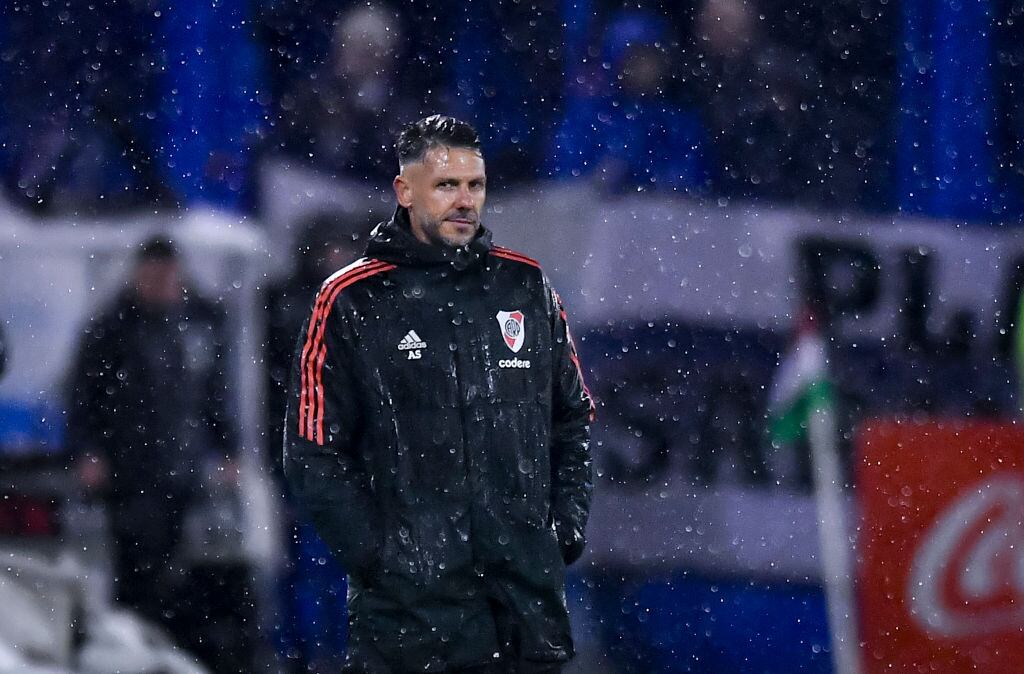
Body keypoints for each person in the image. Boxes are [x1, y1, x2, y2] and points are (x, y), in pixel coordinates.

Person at [283, 115, 595, 673]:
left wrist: (561, 531)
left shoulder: (525, 286)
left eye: (475, 185)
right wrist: (384, 558)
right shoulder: (351, 300)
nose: (465, 201)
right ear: (404, 191)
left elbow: (572, 421)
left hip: (525, 618)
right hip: (409, 628)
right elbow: (313, 454)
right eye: (447, 185)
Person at [65, 236, 251, 672]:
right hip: (131, 473)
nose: (163, 283)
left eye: (169, 274)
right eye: (154, 274)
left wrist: (228, 449)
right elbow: (83, 398)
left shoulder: (199, 324)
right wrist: (88, 452)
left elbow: (215, 396)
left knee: (189, 572)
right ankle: (132, 649)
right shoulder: (111, 329)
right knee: (134, 571)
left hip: (184, 473)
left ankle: (176, 651)